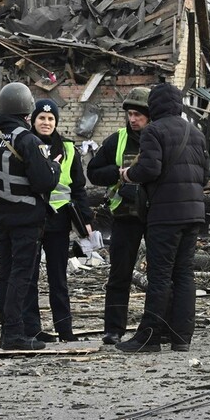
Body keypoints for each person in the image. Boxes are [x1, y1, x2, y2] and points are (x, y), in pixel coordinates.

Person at [116, 83, 208, 353]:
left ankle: (149, 338)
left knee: (159, 276)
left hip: (165, 215)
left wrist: (128, 174)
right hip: (194, 214)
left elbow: (150, 168)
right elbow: (204, 176)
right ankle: (181, 338)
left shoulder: (152, 131)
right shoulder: (196, 132)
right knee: (184, 275)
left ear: (154, 105)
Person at [0, 82, 61, 351]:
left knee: (6, 273)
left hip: (0, 216)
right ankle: (14, 333)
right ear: (26, 112)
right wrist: (55, 168)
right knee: (22, 275)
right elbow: (43, 182)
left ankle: (19, 329)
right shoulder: (26, 139)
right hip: (26, 215)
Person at [25, 99, 93, 343]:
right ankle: (32, 330)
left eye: (50, 119)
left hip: (59, 219)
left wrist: (86, 219)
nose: (46, 122)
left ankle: (65, 330)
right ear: (33, 120)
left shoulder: (67, 148)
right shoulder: (25, 143)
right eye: (41, 118)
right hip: (31, 219)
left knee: (58, 278)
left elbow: (78, 188)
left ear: (56, 122)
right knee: (29, 277)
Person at [87, 87, 151, 346]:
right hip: (125, 216)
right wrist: (118, 173)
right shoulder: (118, 139)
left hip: (155, 216)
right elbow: (94, 172)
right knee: (119, 274)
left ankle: (156, 326)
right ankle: (113, 329)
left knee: (159, 274)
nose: (133, 119)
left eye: (138, 114)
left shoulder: (159, 137)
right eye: (130, 114)